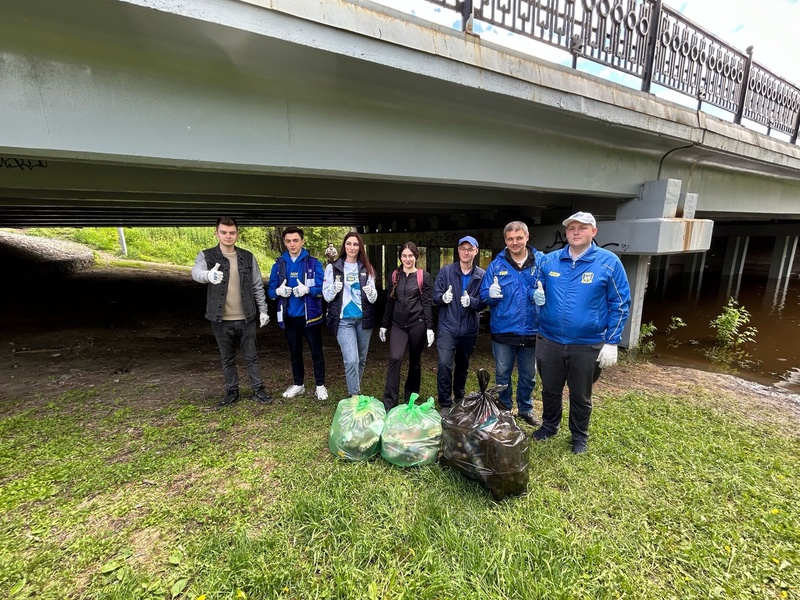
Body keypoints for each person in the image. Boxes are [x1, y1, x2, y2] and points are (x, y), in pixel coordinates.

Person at [532, 212, 631, 454]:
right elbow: (534, 287)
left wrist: (612, 341)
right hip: (550, 339)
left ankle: (579, 436)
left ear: (593, 232)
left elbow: (620, 303)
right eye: (571, 228)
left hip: (587, 344)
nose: (576, 232)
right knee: (550, 390)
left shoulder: (609, 262)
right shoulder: (549, 261)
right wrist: (534, 297)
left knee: (580, 395)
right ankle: (549, 426)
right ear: (566, 233)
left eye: (582, 228)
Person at [191, 217, 273, 408]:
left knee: (251, 356)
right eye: (224, 232)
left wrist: (263, 310)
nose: (228, 236)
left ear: (237, 234)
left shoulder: (247, 256)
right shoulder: (207, 256)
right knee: (227, 358)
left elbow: (257, 286)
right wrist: (208, 275)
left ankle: (258, 390)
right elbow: (196, 272)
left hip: (247, 318)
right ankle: (231, 392)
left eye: (232, 232)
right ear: (217, 233)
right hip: (220, 319)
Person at [479, 221, 544, 427]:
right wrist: (489, 295)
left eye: (519, 238)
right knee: (502, 374)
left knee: (529, 375)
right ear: (505, 241)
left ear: (527, 237)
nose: (514, 242)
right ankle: (504, 408)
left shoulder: (541, 262)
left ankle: (525, 409)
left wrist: (543, 294)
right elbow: (482, 294)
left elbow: (556, 287)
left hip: (532, 329)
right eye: (510, 239)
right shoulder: (496, 265)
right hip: (504, 330)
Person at [267, 226, 328, 400]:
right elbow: (271, 292)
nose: (292, 244)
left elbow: (322, 289)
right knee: (295, 352)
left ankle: (320, 385)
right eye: (288, 241)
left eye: (295, 240)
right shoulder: (279, 265)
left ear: (302, 241)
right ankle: (298, 384)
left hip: (311, 316)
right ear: (284, 242)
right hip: (289, 317)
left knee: (317, 352)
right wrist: (278, 292)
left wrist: (308, 289)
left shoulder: (313, 262)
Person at [379, 242, 435, 411]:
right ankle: (389, 402)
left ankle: (411, 395)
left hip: (417, 324)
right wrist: (383, 325)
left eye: (410, 255)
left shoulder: (423, 276)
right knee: (395, 358)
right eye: (404, 256)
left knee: (414, 360)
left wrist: (430, 327)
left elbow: (427, 304)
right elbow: (389, 301)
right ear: (400, 257)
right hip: (398, 325)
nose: (407, 259)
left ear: (416, 256)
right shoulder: (395, 275)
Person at [322, 232, 379, 397]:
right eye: (349, 244)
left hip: (363, 320)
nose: (352, 247)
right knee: (351, 360)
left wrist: (371, 293)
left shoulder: (367, 268)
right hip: (343, 321)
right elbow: (326, 296)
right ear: (344, 246)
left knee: (361, 359)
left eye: (355, 244)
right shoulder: (333, 268)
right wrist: (333, 289)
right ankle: (354, 396)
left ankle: (356, 390)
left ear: (360, 247)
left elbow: (374, 298)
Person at [432, 235, 486, 410]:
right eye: (463, 248)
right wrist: (443, 297)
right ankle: (445, 403)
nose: (465, 252)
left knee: (462, 366)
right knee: (444, 364)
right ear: (458, 251)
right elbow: (435, 296)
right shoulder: (446, 271)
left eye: (469, 249)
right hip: (448, 326)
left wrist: (472, 302)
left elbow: (483, 303)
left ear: (476, 251)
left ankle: (459, 397)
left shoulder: (481, 275)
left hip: (469, 329)